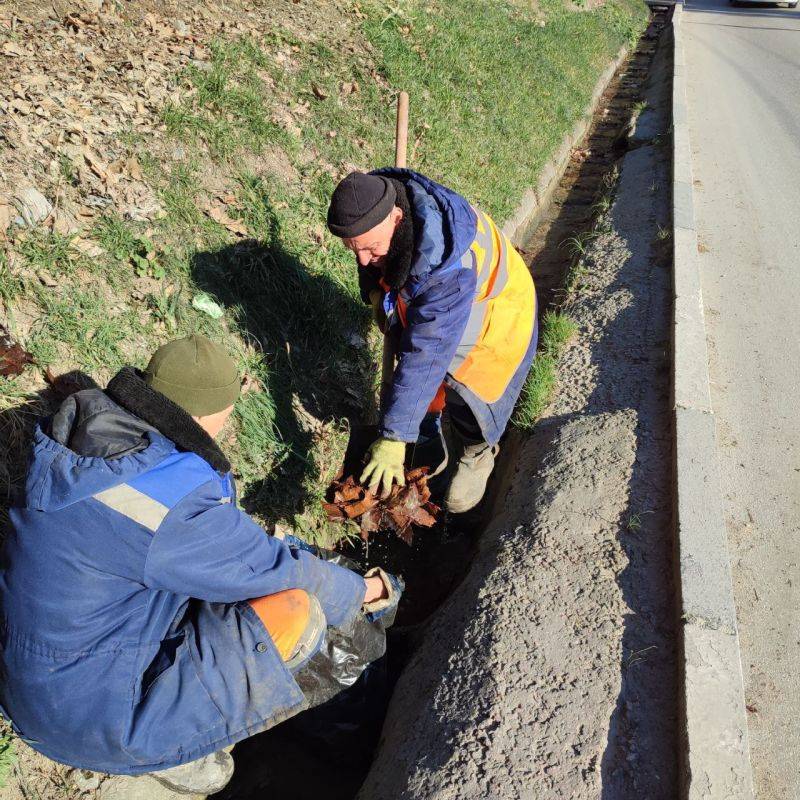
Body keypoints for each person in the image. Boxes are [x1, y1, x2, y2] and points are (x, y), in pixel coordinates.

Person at [0, 335, 399, 794]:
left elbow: (191, 543)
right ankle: (157, 752)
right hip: (87, 716)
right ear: (209, 415)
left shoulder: (100, 441)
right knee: (296, 610)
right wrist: (362, 592)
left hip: (46, 672)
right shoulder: (166, 503)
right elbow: (277, 572)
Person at [327, 169, 538, 513]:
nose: (363, 259)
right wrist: (372, 292)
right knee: (414, 348)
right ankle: (425, 428)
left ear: (397, 218)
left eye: (370, 249)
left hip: (498, 314)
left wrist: (394, 437)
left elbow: (427, 356)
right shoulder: (378, 206)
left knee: (464, 384)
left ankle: (476, 449)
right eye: (354, 250)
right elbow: (373, 260)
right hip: (442, 303)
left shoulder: (446, 268)